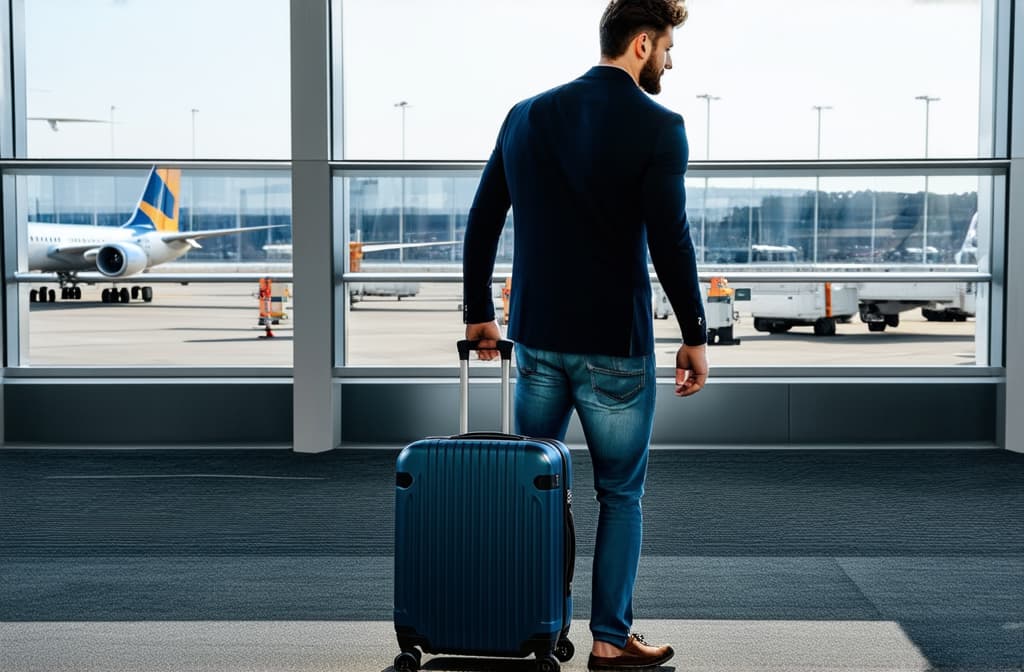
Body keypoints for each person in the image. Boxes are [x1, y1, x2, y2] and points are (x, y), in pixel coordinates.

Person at [461, 0, 708, 669]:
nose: (670, 60)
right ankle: (607, 637)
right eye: (665, 48)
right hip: (615, 350)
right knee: (620, 494)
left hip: (537, 339)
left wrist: (477, 311)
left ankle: (530, 626)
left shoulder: (526, 114)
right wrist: (694, 333)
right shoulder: (660, 126)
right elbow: (671, 242)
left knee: (534, 487)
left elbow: (484, 216)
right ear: (639, 44)